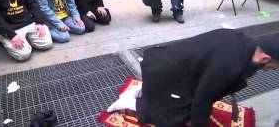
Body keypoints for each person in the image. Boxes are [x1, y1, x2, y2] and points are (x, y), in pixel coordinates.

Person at [107, 29, 279, 126]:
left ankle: (148, 89)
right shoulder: (229, 66)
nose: (271, 70)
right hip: (164, 72)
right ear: (264, 58)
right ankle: (130, 101)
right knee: (174, 117)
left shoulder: (241, 38)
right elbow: (202, 99)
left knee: (177, 92)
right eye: (273, 67)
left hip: (162, 61)